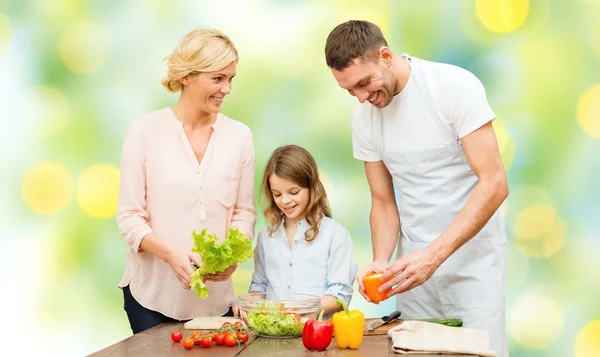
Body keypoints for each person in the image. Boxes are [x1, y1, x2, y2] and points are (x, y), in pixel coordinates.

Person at [325, 20, 509, 356]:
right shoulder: (364, 116)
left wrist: (434, 255)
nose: (362, 98)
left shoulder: (453, 86)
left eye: (364, 83)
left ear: (385, 55)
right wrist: (382, 261)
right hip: (412, 273)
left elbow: (495, 183)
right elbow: (382, 201)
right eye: (350, 90)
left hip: (473, 266)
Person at [116, 28, 256, 334]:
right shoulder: (145, 131)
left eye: (231, 78)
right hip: (151, 298)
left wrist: (230, 258)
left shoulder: (240, 136)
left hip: (216, 302)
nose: (227, 88)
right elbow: (129, 217)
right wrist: (169, 254)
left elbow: (244, 213)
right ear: (186, 77)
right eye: (218, 78)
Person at [247, 145, 358, 316]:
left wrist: (299, 309)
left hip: (318, 333)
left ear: (311, 186)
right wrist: (250, 302)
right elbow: (259, 286)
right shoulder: (266, 237)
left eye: (293, 192)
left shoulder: (335, 234)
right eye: (277, 194)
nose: (285, 201)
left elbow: (340, 293)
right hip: (274, 334)